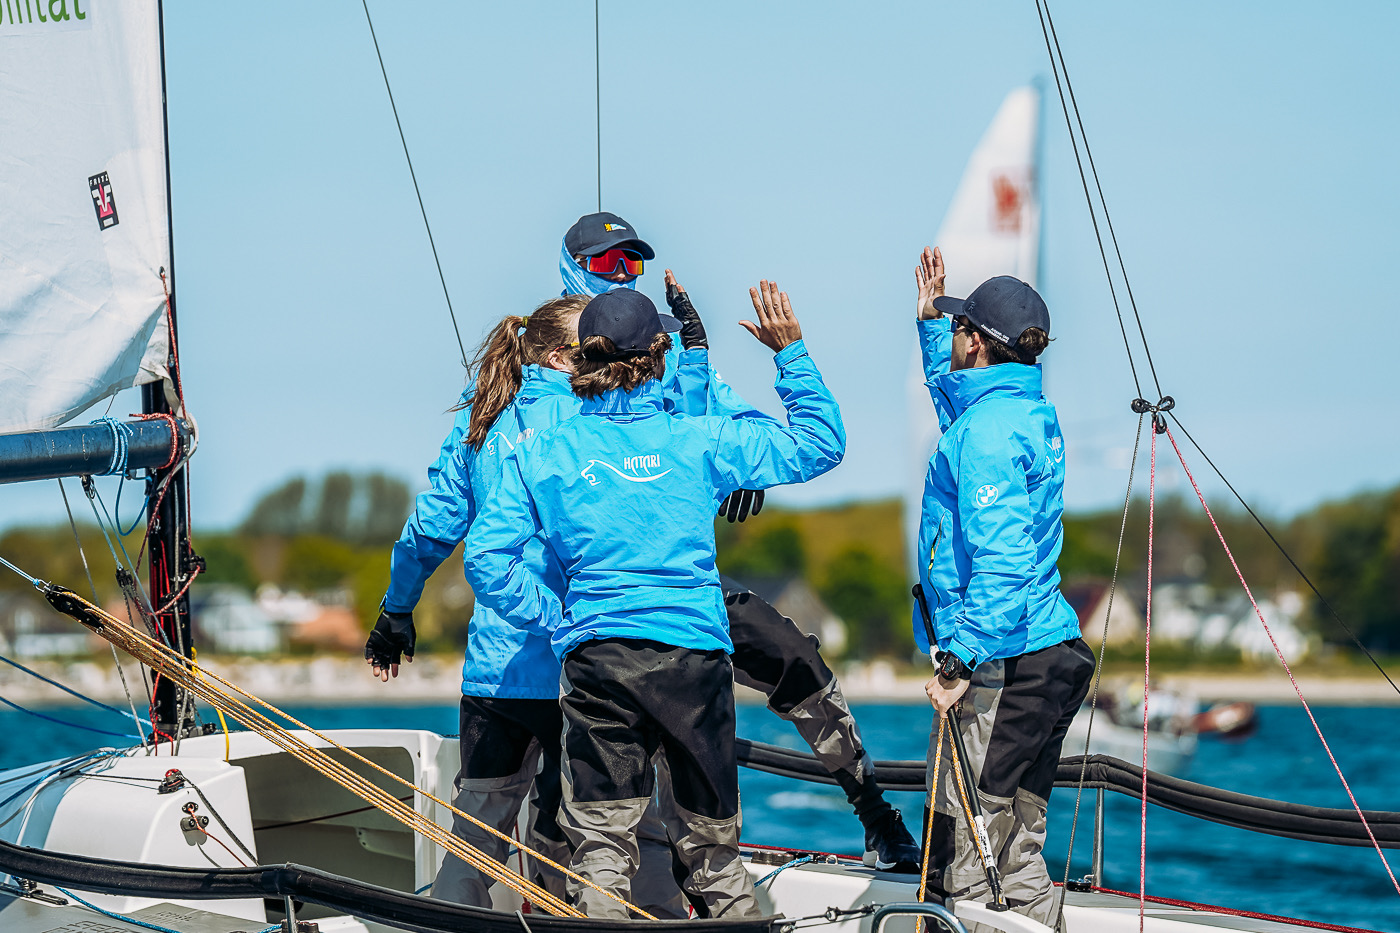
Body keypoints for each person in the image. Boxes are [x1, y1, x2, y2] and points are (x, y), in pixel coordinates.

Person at [462, 283, 845, 918]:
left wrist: (558, 621)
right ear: (659, 355)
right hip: (694, 663)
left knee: (601, 855)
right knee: (715, 858)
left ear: (581, 359)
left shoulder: (542, 454)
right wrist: (791, 353)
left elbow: (485, 558)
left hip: (598, 661)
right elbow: (820, 444)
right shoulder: (700, 439)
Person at [559, 210, 922, 873]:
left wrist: (733, 458)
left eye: (633, 263)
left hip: (686, 586)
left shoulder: (664, 347)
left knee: (798, 661)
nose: (624, 274)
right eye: (609, 263)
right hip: (591, 596)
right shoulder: (554, 359)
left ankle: (873, 808)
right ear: (572, 267)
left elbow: (748, 424)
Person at [364, 296, 589, 907]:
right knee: (568, 840)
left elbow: (428, 530)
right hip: (582, 666)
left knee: (474, 842)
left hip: (497, 672)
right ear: (564, 356)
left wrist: (396, 611)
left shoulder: (482, 421)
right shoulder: (606, 421)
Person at [912, 246, 1095, 929]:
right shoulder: (1022, 411)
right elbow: (961, 411)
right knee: (1015, 848)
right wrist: (933, 324)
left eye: (959, 328)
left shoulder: (987, 434)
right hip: (1049, 650)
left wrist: (960, 661)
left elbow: (1005, 562)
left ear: (977, 344)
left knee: (964, 846)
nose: (953, 335)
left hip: (1002, 660)